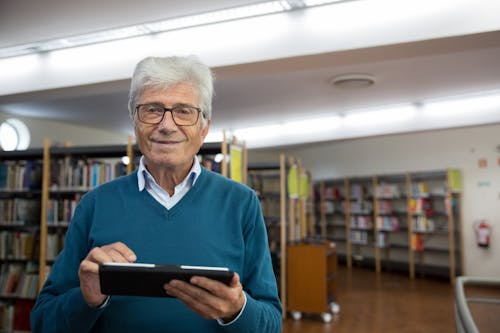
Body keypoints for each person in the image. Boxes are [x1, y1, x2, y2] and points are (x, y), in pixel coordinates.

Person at [30, 56, 282, 333]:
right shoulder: (95, 204)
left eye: (184, 111)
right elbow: (43, 322)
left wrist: (237, 310)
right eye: (152, 109)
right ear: (135, 122)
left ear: (204, 128)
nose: (167, 124)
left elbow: (271, 323)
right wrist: (87, 298)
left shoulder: (241, 203)